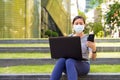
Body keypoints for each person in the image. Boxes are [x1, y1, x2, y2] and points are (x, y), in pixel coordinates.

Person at [50, 16, 97, 80]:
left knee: (69, 61)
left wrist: (94, 49)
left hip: (83, 65)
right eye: (76, 23)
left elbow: (93, 58)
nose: (78, 25)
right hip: (68, 65)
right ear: (73, 25)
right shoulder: (69, 37)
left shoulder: (87, 39)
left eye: (81, 23)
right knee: (61, 60)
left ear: (84, 25)